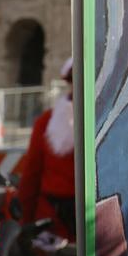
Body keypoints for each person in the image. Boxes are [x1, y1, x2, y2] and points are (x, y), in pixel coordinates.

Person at [19, 59, 76, 243]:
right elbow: (32, 174)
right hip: (53, 221)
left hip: (99, 221)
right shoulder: (46, 122)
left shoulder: (110, 119)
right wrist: (26, 221)